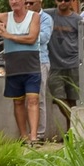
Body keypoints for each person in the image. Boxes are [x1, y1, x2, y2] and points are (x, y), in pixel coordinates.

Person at [0, 0, 41, 145]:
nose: (14, 2)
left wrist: (8, 35)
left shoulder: (34, 16)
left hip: (31, 64)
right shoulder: (6, 16)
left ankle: (34, 136)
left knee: (33, 100)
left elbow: (32, 38)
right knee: (18, 102)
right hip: (13, 65)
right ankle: (24, 136)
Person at [46, 0, 79, 134]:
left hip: (74, 63)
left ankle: (71, 132)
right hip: (55, 64)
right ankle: (77, 125)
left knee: (72, 99)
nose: (63, 2)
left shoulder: (77, 19)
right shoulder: (49, 15)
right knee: (58, 98)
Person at [27, 0, 53, 141]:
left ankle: (40, 134)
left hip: (40, 61)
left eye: (31, 2)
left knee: (39, 98)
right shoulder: (22, 17)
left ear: (40, 1)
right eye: (26, 3)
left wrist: (25, 34)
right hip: (24, 61)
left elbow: (43, 38)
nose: (28, 6)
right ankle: (28, 134)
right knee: (25, 99)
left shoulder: (46, 18)